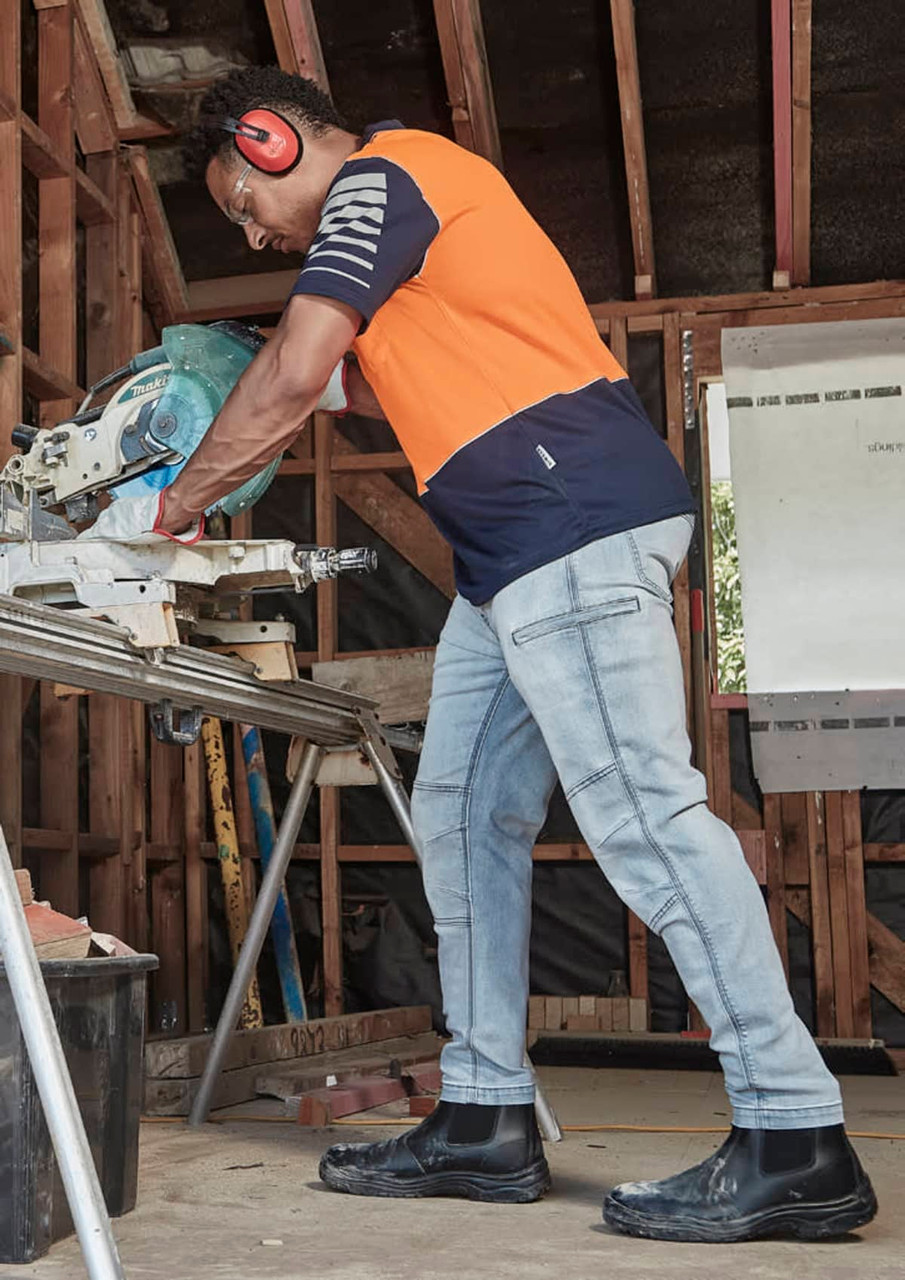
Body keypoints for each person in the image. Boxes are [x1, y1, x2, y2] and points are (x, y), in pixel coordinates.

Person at [111, 67, 876, 1242]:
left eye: (239, 203)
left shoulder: (382, 177)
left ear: (266, 141)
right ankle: (482, 1117)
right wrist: (251, 383)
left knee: (637, 811)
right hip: (507, 551)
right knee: (464, 814)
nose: (251, 228)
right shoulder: (406, 232)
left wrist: (168, 505)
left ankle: (794, 1133)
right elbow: (348, 381)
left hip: (561, 519)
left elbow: (302, 371)